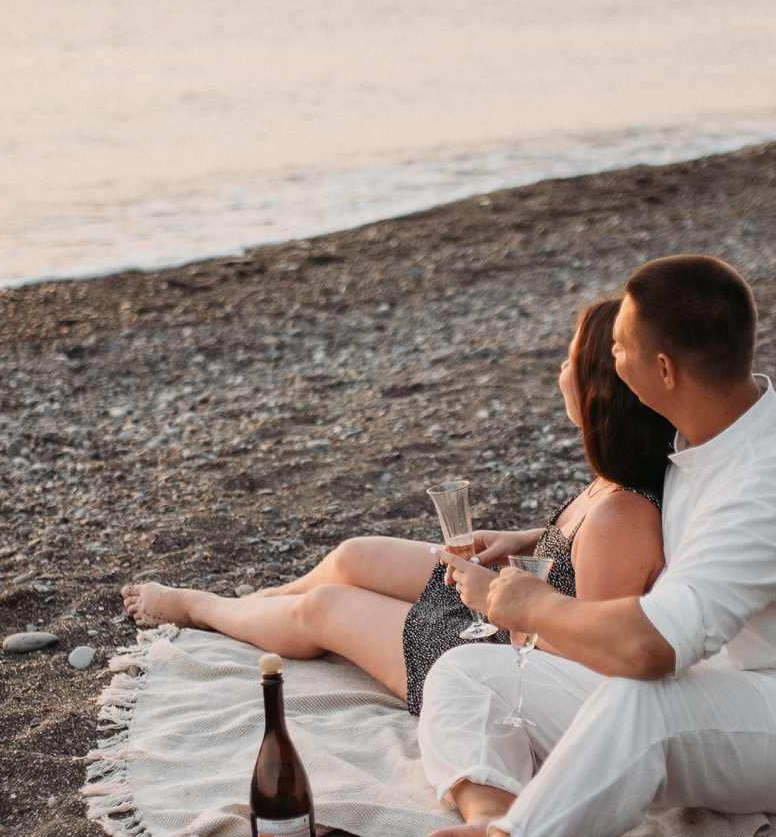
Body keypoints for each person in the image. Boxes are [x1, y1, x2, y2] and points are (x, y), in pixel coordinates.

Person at [335, 254, 776, 837]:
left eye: (620, 343)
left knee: (641, 697)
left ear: (664, 371)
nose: (608, 351)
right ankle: (500, 818)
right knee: (467, 670)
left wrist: (532, 605)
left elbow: (650, 648)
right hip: (724, 681)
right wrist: (538, 542)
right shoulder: (712, 426)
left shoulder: (770, 484)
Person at [120, 299, 672, 708]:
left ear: (600, 389)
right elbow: (589, 561)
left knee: (323, 608)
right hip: (500, 611)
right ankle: (257, 604)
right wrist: (526, 541)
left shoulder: (622, 514)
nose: (559, 371)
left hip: (492, 659)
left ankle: (200, 607)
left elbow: (598, 659)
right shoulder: (614, 481)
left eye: (569, 358)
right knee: (354, 556)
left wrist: (494, 601)